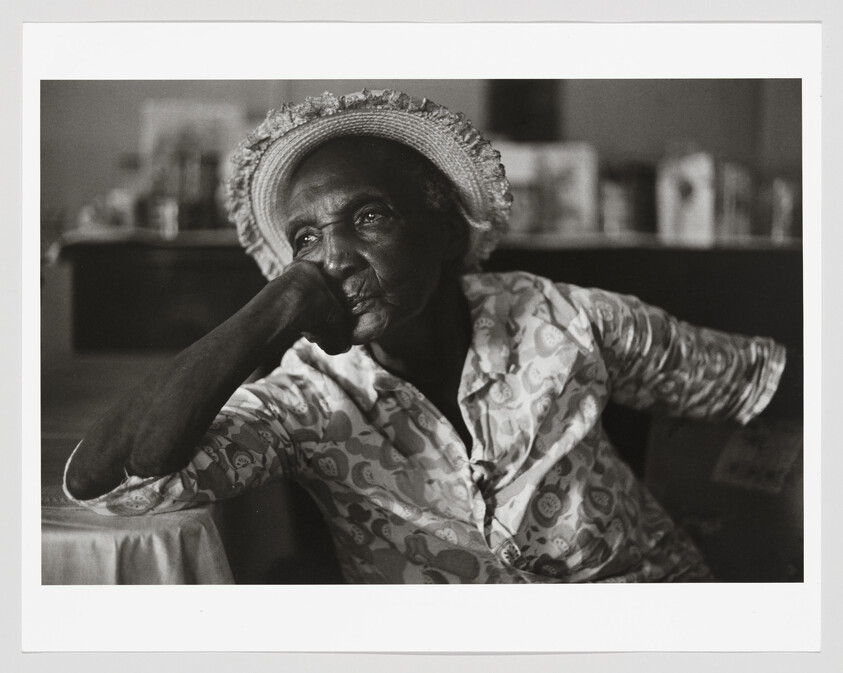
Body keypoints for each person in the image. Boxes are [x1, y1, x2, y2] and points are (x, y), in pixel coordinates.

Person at [64, 89, 793, 583]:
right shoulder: (306, 398)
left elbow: (760, 382)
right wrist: (274, 306)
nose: (335, 258)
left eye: (368, 218)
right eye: (307, 239)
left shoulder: (564, 318)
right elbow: (119, 481)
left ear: (445, 229)